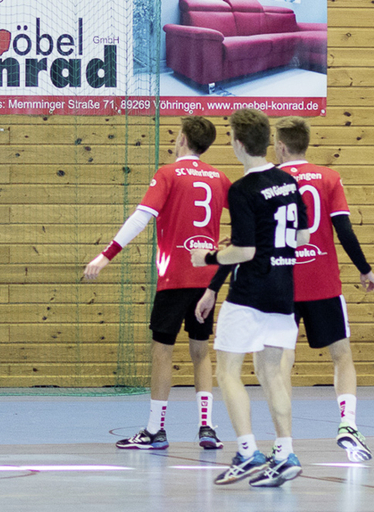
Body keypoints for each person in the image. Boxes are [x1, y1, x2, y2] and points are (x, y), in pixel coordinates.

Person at [83, 116, 229, 451]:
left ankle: (154, 430)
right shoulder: (220, 178)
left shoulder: (168, 174)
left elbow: (141, 217)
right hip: (206, 279)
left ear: (182, 139)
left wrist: (106, 255)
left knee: (162, 351)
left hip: (175, 275)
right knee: (200, 351)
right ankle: (206, 427)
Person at [192, 108, 309, 488]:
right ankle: (286, 452)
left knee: (227, 371)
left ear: (239, 143)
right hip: (283, 290)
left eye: (229, 136)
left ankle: (247, 452)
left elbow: (243, 252)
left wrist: (208, 257)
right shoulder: (288, 182)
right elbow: (302, 237)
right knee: (272, 373)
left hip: (249, 292)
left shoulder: (242, 189)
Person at [273, 117, 371, 462]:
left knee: (283, 360)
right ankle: (347, 425)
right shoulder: (329, 178)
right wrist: (365, 269)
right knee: (342, 355)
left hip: (283, 283)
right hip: (323, 281)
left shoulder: (273, 180)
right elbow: (343, 229)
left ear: (282, 146)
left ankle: (283, 443)